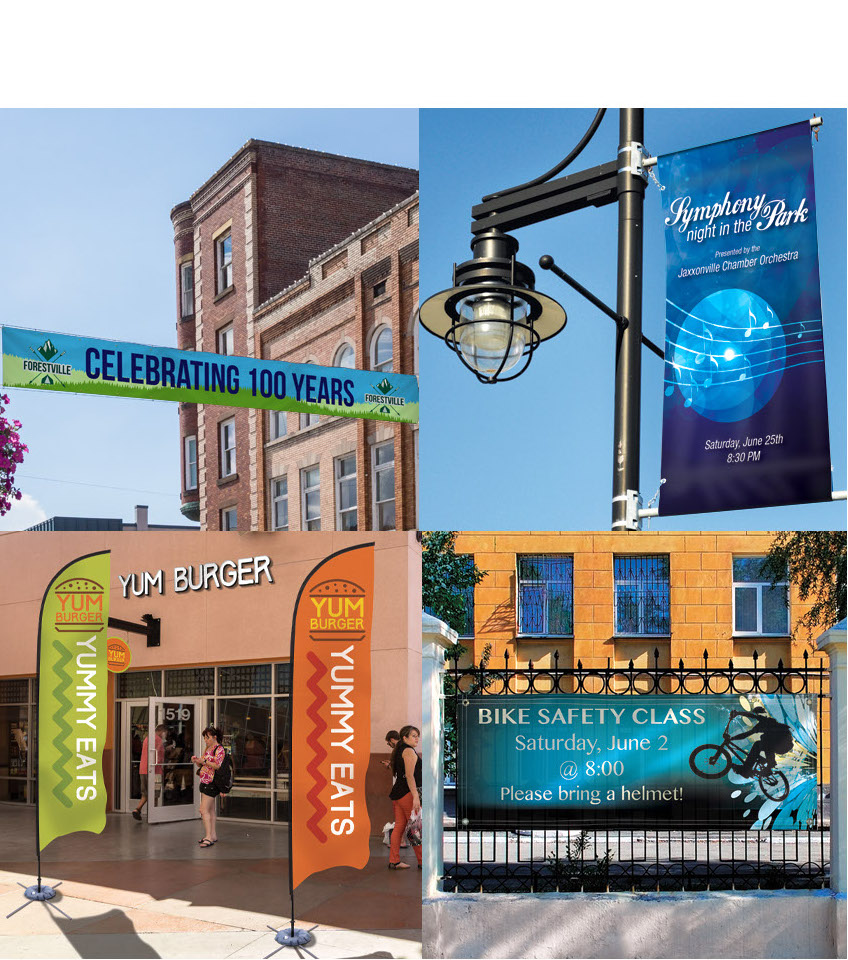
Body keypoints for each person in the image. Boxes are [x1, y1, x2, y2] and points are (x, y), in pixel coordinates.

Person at [388, 724, 422, 870]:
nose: (417, 738)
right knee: (416, 828)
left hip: (398, 794)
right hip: (407, 794)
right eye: (413, 736)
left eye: (418, 736)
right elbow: (409, 776)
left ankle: (394, 861)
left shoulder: (400, 750)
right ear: (405, 737)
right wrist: (415, 796)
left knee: (399, 827)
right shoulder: (408, 751)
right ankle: (422, 861)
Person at [730, 706, 794, 778]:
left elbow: (750, 720)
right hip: (784, 743)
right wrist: (732, 738)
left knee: (763, 740)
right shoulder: (768, 722)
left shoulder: (766, 722)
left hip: (783, 744)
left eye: (759, 715)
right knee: (760, 742)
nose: (759, 717)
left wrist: (731, 738)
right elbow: (746, 733)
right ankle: (758, 763)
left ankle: (768, 765)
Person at [192, 726, 225, 847]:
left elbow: (217, 766)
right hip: (205, 781)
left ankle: (208, 837)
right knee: (210, 810)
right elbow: (203, 766)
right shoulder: (208, 748)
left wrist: (204, 761)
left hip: (212, 782)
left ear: (214, 737)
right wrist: (197, 761)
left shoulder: (219, 749)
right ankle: (213, 835)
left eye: (207, 737)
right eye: (204, 738)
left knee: (203, 810)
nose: (205, 740)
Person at [132, 723, 166, 821]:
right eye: (165, 733)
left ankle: (137, 809)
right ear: (161, 731)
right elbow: (157, 754)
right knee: (155, 794)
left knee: (145, 793)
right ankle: (154, 815)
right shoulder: (158, 740)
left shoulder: (147, 738)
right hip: (155, 770)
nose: (165, 735)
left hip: (143, 769)